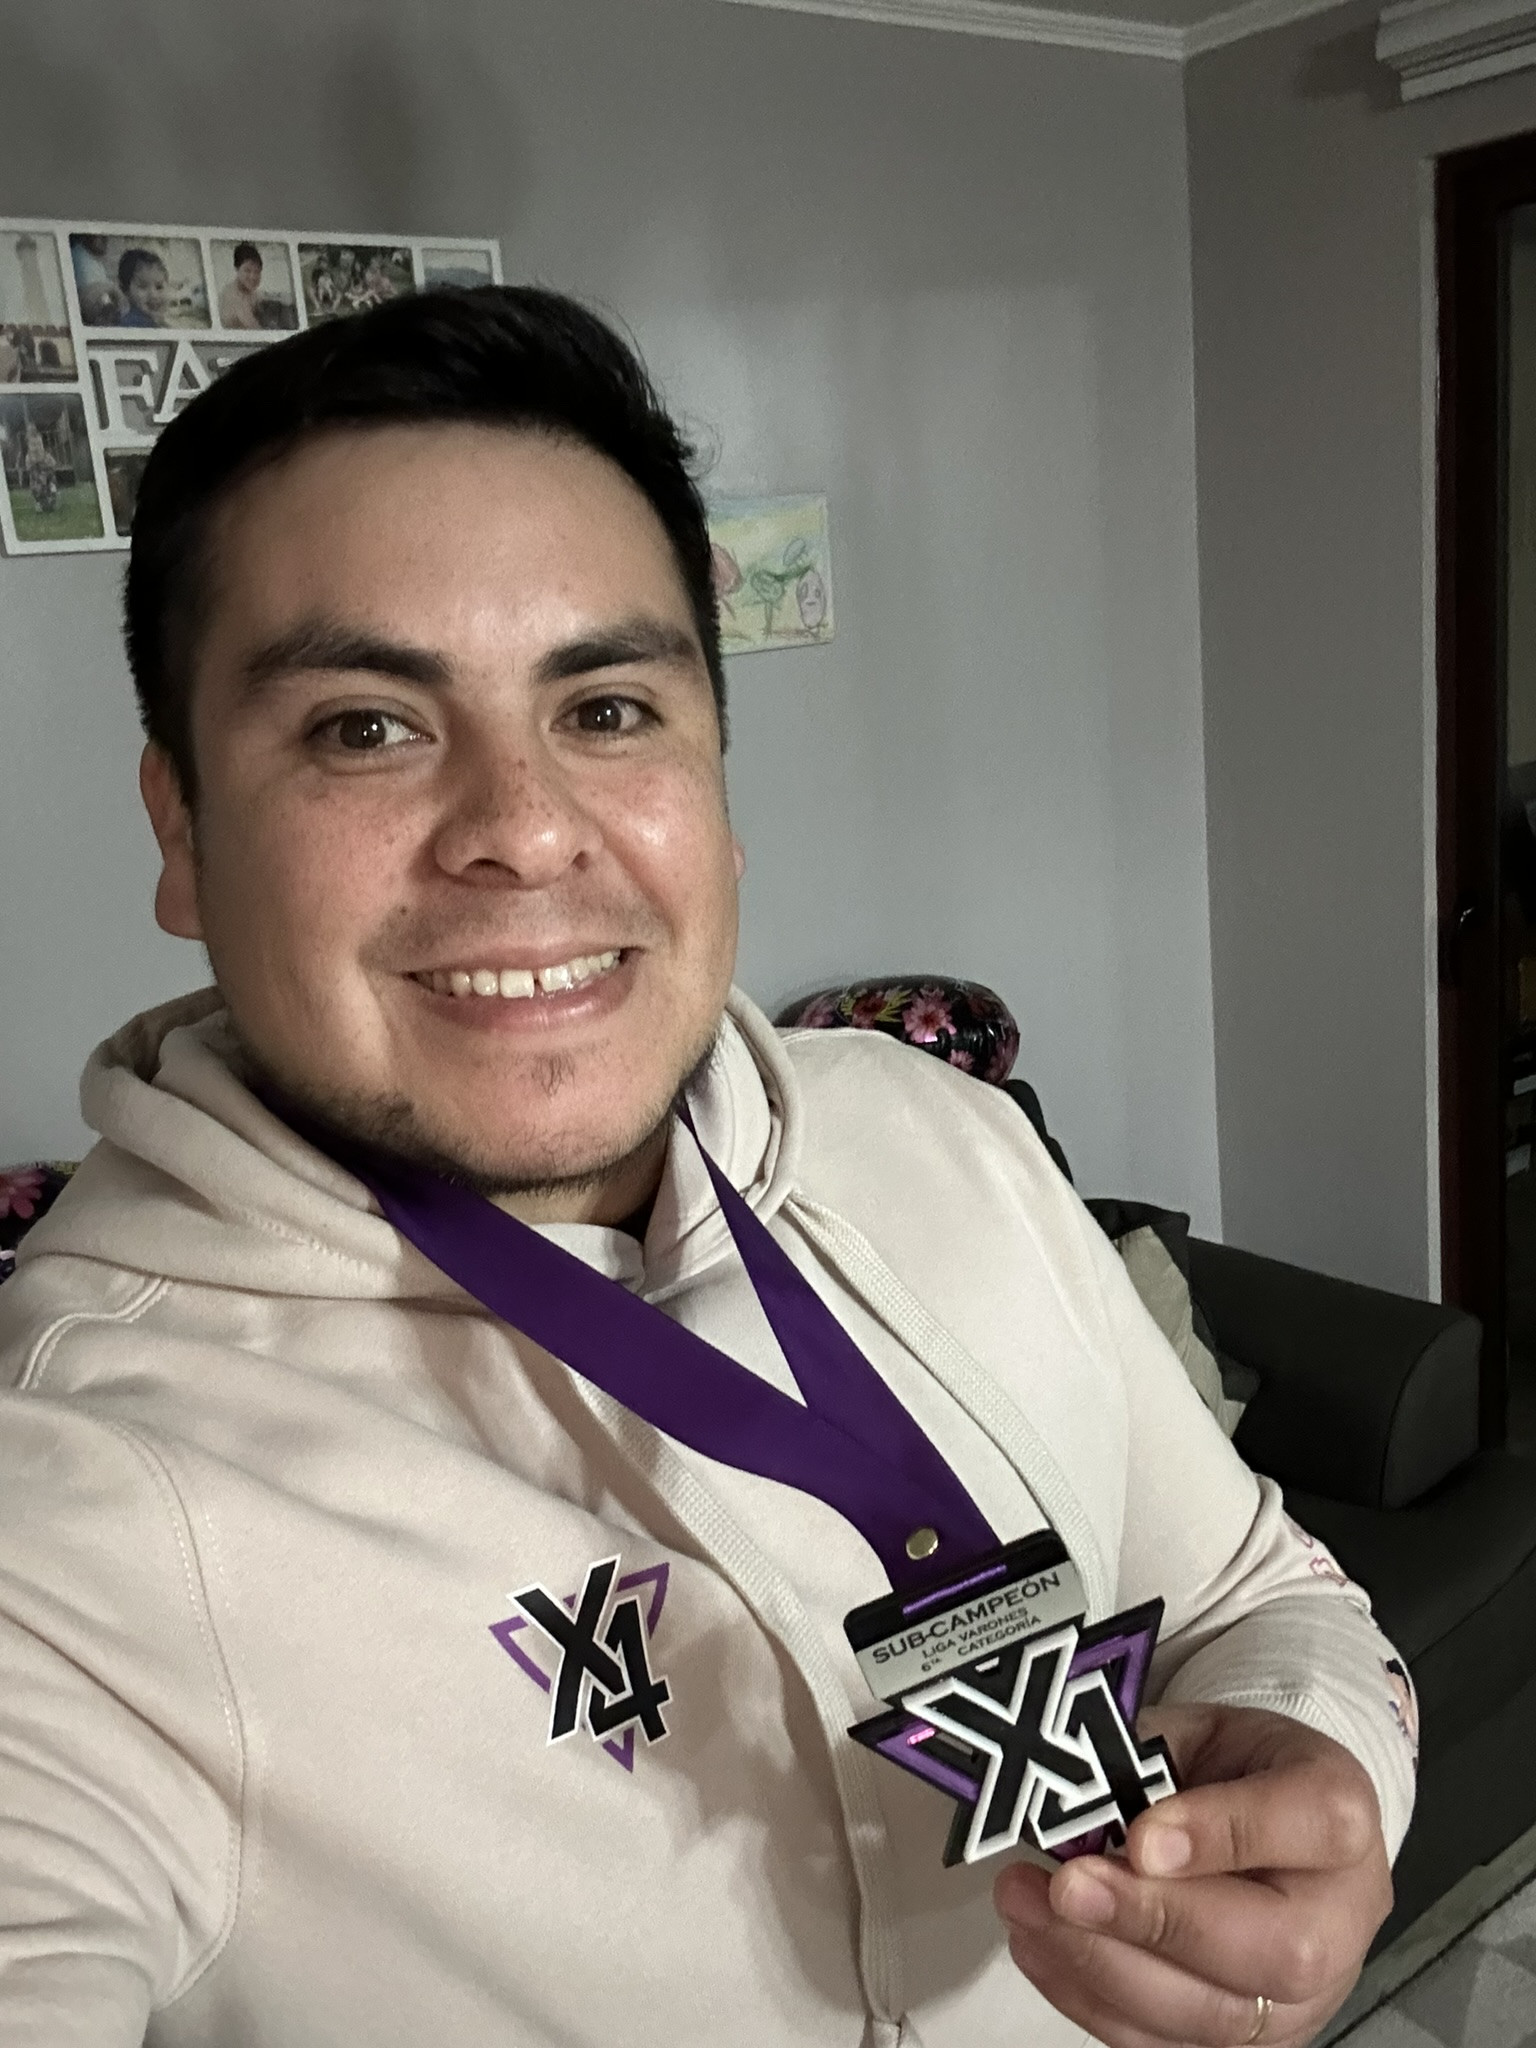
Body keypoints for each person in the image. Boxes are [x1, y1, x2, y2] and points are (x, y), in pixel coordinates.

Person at [0, 286, 1411, 2048]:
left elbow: (1258, 1595)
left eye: (605, 708)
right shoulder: (72, 1509)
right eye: (365, 724)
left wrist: (1329, 1767)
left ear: (715, 782)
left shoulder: (941, 1135)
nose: (525, 828)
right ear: (182, 829)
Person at [116, 247, 170, 329]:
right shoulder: (133, 325)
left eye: (159, 287)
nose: (153, 295)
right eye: (143, 287)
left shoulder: (149, 321)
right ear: (126, 290)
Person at [218, 241, 266, 330]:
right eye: (247, 270)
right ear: (237, 269)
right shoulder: (232, 295)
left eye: (257, 271)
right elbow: (256, 329)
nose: (253, 277)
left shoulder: (252, 293)